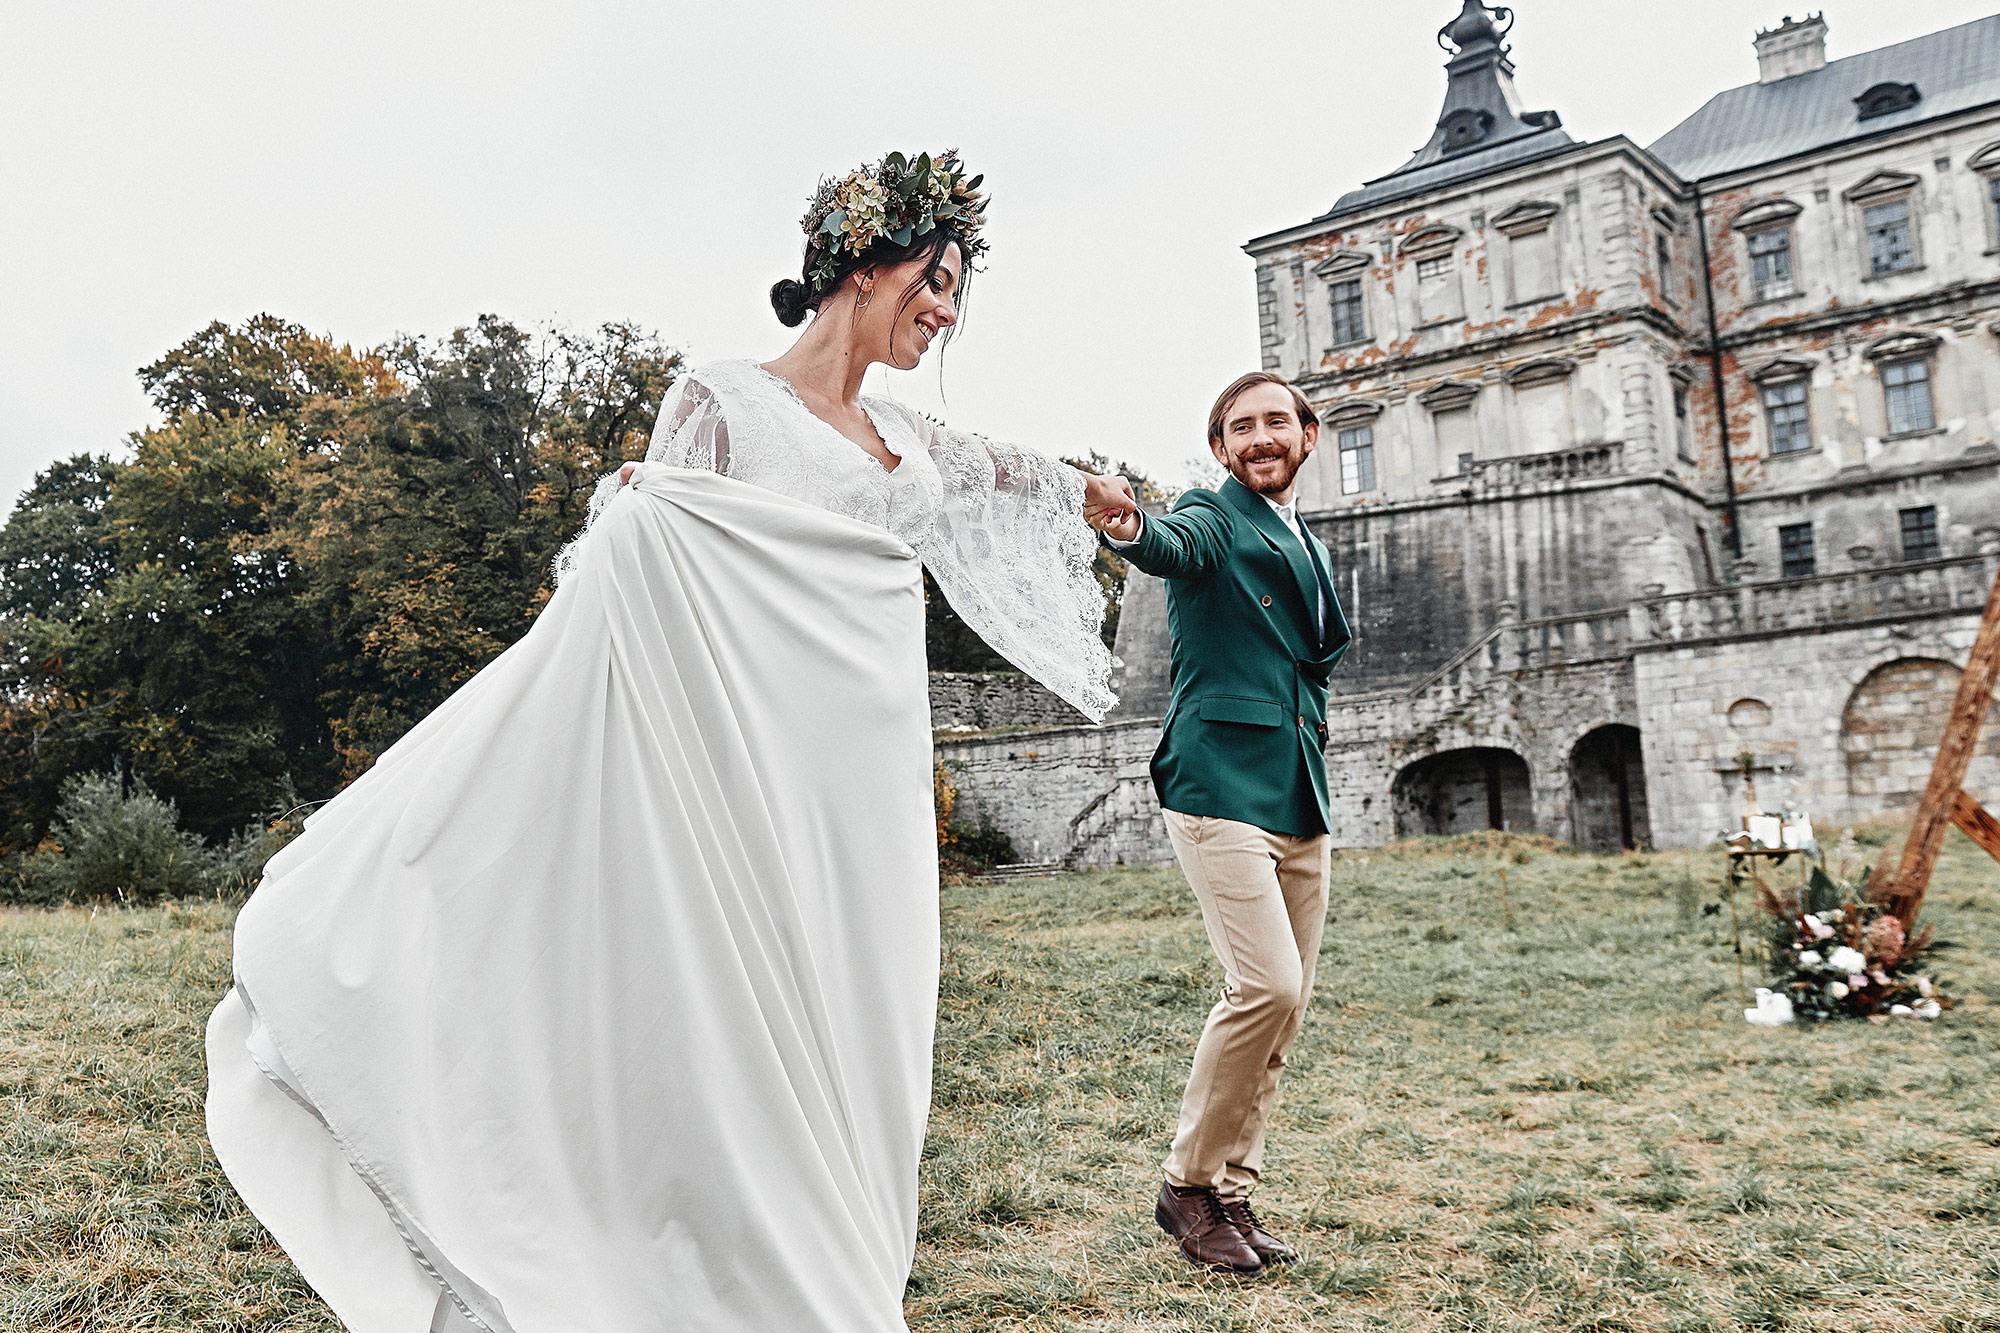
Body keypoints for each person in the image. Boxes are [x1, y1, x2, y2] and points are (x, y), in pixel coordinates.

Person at [204, 150, 1137, 1333]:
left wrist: (1089, 484)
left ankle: (841, 1259)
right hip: (730, 766)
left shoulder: (903, 434)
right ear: (862, 259)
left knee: (862, 1012)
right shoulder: (724, 400)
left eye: (958, 289)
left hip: (859, 783)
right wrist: (633, 510)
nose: (945, 309)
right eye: (934, 278)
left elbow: (1003, 471)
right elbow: (638, 573)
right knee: (722, 1006)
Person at [1096, 371, 1351, 1275]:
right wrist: (1128, 523)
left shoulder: (1307, 541)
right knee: (1266, 985)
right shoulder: (1215, 515)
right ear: (1220, 450)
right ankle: (1185, 1184)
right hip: (1216, 780)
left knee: (1286, 1012)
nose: (1260, 438)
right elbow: (1170, 542)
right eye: (1240, 427)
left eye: (1276, 421)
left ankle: (1232, 1192)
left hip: (1297, 786)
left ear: (1308, 435)